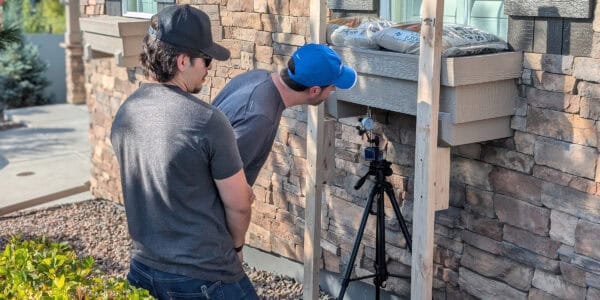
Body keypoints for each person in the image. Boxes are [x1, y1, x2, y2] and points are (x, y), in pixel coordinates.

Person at [110, 5, 258, 299]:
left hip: (142, 270)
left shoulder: (126, 113)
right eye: (205, 60)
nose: (208, 68)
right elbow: (239, 205)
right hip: (204, 277)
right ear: (182, 61)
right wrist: (237, 247)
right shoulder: (207, 120)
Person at [212, 43, 357, 186]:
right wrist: (242, 204)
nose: (333, 92)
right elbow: (224, 182)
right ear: (314, 91)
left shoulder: (256, 76)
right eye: (332, 87)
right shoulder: (260, 117)